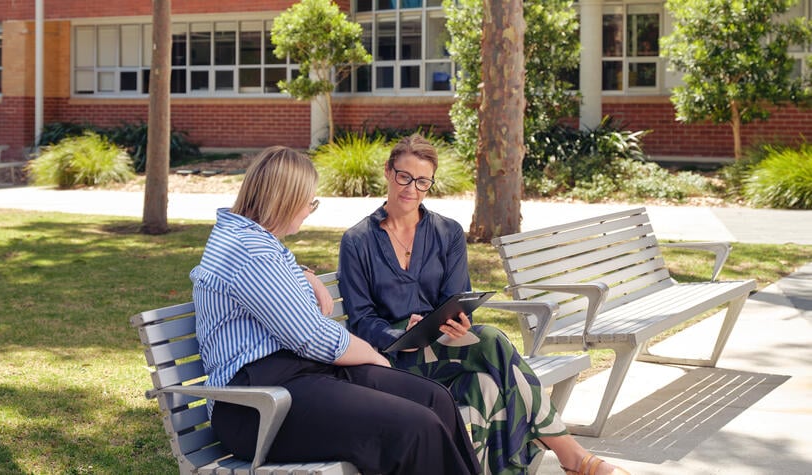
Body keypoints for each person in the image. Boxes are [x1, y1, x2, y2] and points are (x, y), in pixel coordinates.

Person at [337, 134, 630, 475]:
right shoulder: (357, 240)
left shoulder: (447, 232)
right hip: (392, 359)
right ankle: (573, 456)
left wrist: (457, 322)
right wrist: (400, 331)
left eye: (422, 182)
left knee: (486, 386)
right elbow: (359, 320)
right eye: (404, 177)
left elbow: (456, 297)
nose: (411, 189)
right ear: (388, 172)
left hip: (448, 344)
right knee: (490, 338)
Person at [190, 145, 481, 475]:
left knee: (434, 399)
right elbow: (311, 337)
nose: (309, 211)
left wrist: (303, 273)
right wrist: (372, 355)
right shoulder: (249, 250)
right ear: (284, 199)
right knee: (417, 426)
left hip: (298, 376)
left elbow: (268, 287)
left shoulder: (254, 240)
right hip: (257, 405)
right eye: (309, 202)